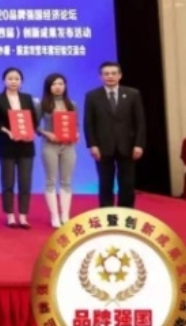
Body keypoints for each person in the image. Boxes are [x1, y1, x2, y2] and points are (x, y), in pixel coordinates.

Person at [84, 61, 146, 208]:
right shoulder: (92, 96)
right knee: (105, 182)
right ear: (100, 77)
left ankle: (126, 211)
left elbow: (140, 121)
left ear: (120, 75)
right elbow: (89, 123)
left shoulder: (132, 94)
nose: (110, 76)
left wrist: (139, 144)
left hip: (128, 145)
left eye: (113, 73)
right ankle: (106, 212)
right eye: (106, 74)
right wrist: (92, 145)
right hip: (103, 147)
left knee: (127, 182)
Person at [0, 67, 39, 229]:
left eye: (17, 79)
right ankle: (10, 215)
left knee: (25, 183)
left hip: (26, 146)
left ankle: (23, 216)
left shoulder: (27, 98)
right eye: (10, 78)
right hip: (7, 145)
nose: (13, 81)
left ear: (21, 82)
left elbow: (34, 120)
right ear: (4, 81)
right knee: (8, 182)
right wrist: (8, 132)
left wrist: (31, 132)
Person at [39, 73, 78, 227]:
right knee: (51, 180)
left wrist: (76, 133)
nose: (58, 87)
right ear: (49, 87)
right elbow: (35, 126)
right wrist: (47, 133)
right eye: (54, 84)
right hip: (50, 145)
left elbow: (76, 125)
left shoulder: (72, 104)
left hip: (68, 146)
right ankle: (54, 216)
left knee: (66, 181)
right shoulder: (42, 105)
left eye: (61, 83)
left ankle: (65, 215)